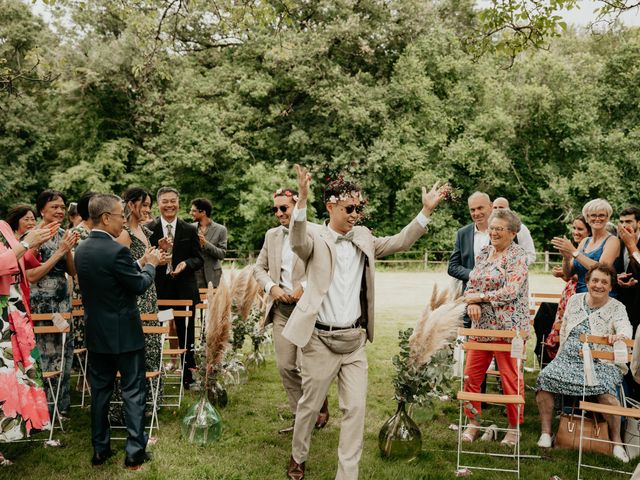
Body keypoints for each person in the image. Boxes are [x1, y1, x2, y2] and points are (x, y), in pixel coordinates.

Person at [284, 165, 446, 480]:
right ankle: (298, 456)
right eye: (349, 208)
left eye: (359, 207)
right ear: (330, 206)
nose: (356, 213)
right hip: (319, 340)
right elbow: (297, 241)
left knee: (355, 410)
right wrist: (301, 199)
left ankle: (348, 474)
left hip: (354, 341)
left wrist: (425, 212)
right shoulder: (315, 237)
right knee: (309, 406)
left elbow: (400, 242)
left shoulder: (364, 237)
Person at [74, 193, 163, 469]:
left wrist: (139, 263)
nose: (123, 222)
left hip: (97, 334)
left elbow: (112, 278)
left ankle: (100, 450)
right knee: (133, 390)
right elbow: (137, 285)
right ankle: (135, 451)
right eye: (120, 216)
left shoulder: (82, 250)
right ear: (105, 217)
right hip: (125, 334)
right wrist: (151, 265)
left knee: (100, 392)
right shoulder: (117, 250)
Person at [535, 264, 632, 463]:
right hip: (568, 359)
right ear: (587, 282)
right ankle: (546, 433)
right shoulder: (575, 300)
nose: (598, 285)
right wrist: (560, 355)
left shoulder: (617, 307)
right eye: (595, 280)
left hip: (602, 362)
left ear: (611, 286)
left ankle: (616, 442)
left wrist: (620, 336)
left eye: (604, 282)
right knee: (544, 378)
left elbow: (625, 327)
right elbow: (564, 330)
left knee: (606, 390)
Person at [253, 188, 329, 435]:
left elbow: (325, 268)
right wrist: (271, 287)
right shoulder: (271, 235)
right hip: (281, 311)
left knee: (310, 370)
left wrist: (304, 287)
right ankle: (301, 417)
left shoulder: (317, 231)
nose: (278, 213)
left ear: (297, 205)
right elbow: (259, 268)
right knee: (286, 366)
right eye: (275, 209)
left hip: (308, 311)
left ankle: (318, 405)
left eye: (283, 208)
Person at [460, 209, 529, 446]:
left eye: (499, 228)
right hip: (482, 328)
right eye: (492, 228)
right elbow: (471, 285)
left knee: (511, 379)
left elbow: (511, 291)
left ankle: (514, 427)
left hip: (509, 329)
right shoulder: (484, 252)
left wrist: (479, 297)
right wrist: (472, 300)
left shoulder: (517, 255)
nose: (494, 232)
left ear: (513, 232)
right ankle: (474, 422)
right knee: (471, 375)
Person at [0, 219, 53, 466]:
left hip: (13, 310)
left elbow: (17, 264)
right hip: (3, 314)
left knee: (10, 378)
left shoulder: (3, 226)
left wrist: (32, 244)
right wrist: (25, 244)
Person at [110, 188, 163, 423]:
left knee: (151, 347)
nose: (148, 209)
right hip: (135, 296)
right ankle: (128, 408)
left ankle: (150, 402)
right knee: (136, 350)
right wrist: (146, 261)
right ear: (131, 205)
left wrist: (157, 258)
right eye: (145, 204)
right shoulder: (123, 233)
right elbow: (122, 267)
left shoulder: (143, 230)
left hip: (149, 292)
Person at [30, 190, 79, 417]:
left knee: (65, 350)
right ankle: (44, 407)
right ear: (42, 210)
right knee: (47, 352)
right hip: (42, 302)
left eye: (62, 206)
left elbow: (72, 271)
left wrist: (67, 249)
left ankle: (62, 405)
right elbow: (32, 275)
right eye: (54, 207)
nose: (60, 211)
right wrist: (60, 251)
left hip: (62, 302)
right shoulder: (34, 236)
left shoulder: (62, 233)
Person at [148, 187, 203, 389]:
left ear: (179, 203)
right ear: (158, 204)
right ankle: (156, 376)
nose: (169, 205)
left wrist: (185, 264)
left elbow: (199, 259)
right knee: (159, 332)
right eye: (165, 201)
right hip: (160, 293)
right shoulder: (149, 228)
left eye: (173, 201)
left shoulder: (189, 229)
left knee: (185, 333)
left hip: (184, 293)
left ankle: (189, 377)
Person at [6, 205, 75, 315]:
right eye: (26, 219)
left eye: (33, 219)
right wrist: (59, 252)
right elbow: (31, 274)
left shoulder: (42, 239)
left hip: (59, 300)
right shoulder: (13, 244)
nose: (31, 223)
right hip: (20, 296)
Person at [544, 215, 591, 361]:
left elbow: (588, 275)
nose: (575, 232)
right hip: (569, 293)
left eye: (580, 229)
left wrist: (571, 276)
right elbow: (570, 273)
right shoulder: (576, 248)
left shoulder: (588, 249)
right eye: (574, 228)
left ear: (589, 231)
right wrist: (564, 265)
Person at [551, 198, 620, 296]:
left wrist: (574, 252)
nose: (597, 218)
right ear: (587, 218)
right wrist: (566, 257)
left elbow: (602, 270)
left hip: (602, 298)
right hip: (580, 297)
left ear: (608, 218)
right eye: (593, 215)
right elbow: (568, 274)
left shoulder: (612, 241)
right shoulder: (584, 242)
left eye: (601, 215)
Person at [448, 192, 492, 327]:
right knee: (467, 344)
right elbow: (452, 267)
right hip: (469, 300)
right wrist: (473, 275)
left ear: (490, 206)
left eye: (480, 208)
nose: (476, 213)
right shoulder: (463, 233)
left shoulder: (504, 231)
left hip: (495, 302)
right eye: (472, 210)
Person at [189, 198, 227, 289]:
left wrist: (205, 244)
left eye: (194, 211)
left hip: (214, 278)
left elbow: (222, 254)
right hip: (195, 278)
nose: (191, 213)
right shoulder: (190, 228)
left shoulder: (221, 229)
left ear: (203, 212)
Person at [492, 197, 537, 265]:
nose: (497, 210)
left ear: (509, 210)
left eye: (501, 207)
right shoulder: (488, 229)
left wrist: (515, 265)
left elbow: (530, 255)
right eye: (495, 208)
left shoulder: (521, 229)